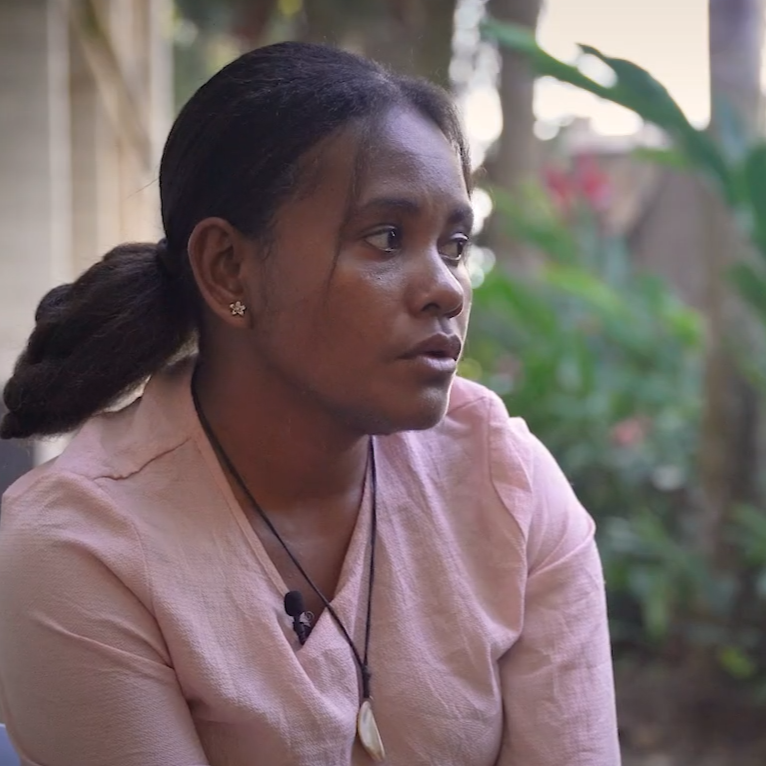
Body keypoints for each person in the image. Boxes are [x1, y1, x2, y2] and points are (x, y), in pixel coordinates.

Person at [0, 42, 620, 766]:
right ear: (229, 268)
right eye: (387, 237)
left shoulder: (506, 487)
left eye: (453, 245)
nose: (449, 289)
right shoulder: (80, 549)